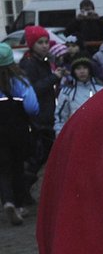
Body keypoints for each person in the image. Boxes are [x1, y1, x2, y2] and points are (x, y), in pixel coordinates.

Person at [0, 42, 40, 225]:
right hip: (18, 130)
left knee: (3, 169)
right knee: (17, 166)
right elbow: (32, 107)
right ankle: (18, 204)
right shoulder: (20, 81)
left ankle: (7, 201)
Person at [19, 26, 60, 192]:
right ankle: (22, 188)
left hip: (46, 113)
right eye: (40, 43)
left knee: (41, 155)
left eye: (46, 42)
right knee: (38, 155)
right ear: (32, 45)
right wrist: (53, 78)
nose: (45, 46)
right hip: (38, 116)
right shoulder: (29, 64)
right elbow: (32, 90)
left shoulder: (43, 61)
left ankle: (24, 188)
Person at [54, 56, 103, 135]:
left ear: (90, 70)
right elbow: (61, 116)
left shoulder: (101, 90)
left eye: (85, 68)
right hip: (75, 133)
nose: (82, 71)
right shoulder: (66, 92)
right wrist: (59, 134)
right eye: (78, 68)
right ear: (74, 71)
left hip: (97, 132)